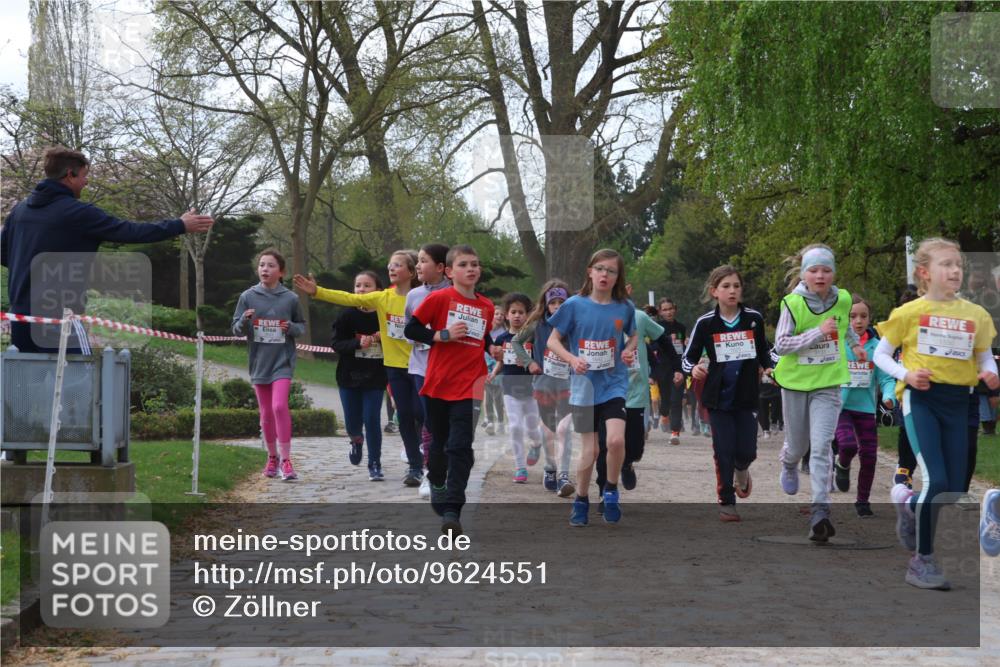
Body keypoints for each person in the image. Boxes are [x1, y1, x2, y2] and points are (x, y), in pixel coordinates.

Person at [1, 146, 213, 352]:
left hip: (21, 317)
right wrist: (180, 225)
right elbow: (130, 232)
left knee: (25, 386)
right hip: (60, 320)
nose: (87, 181)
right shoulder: (78, 213)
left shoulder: (19, 211)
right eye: (84, 175)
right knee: (81, 384)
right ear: (69, 175)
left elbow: (4, 255)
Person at [876, 237, 998, 589]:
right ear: (925, 273)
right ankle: (921, 562)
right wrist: (906, 374)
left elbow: (985, 357)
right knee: (938, 480)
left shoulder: (976, 314)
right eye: (947, 264)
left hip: (961, 403)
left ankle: (911, 506)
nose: (956, 270)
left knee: (954, 490)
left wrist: (991, 374)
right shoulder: (909, 312)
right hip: (922, 400)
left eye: (958, 264)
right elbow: (881, 355)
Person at [295, 251, 425, 488]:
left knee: (420, 414)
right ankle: (413, 465)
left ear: (411, 270)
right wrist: (317, 292)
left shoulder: (421, 297)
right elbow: (347, 298)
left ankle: (422, 453)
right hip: (393, 367)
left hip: (419, 365)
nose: (391, 269)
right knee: (401, 416)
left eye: (397, 265)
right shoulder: (381, 298)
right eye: (389, 265)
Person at [772, 243, 865, 542]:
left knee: (823, 445)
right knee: (799, 446)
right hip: (797, 382)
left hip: (828, 382)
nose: (820, 275)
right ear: (804, 274)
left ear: (834, 273)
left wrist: (855, 345)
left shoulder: (843, 299)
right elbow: (781, 345)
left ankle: (820, 512)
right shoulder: (792, 303)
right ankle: (788, 462)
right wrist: (817, 333)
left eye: (826, 270)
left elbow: (845, 325)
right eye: (814, 270)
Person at [404, 245, 496, 536]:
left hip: (471, 385)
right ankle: (438, 481)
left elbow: (484, 338)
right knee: (440, 444)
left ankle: (452, 511)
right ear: (449, 271)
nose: (472, 269)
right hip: (439, 383)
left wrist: (494, 347)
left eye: (476, 264)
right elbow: (412, 329)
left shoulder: (487, 306)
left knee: (459, 445)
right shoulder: (439, 298)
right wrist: (441, 335)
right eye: (465, 264)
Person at [547, 249, 638, 527]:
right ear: (590, 271)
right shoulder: (574, 305)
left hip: (614, 383)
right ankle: (582, 499)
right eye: (600, 268)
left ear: (617, 277)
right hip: (584, 388)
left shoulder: (625, 307)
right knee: (591, 450)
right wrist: (573, 359)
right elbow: (553, 341)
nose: (605, 274)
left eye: (611, 271)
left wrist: (628, 351)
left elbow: (633, 336)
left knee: (615, 441)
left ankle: (610, 489)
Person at [682, 266, 774, 522]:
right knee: (723, 449)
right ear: (714, 292)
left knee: (746, 451)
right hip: (718, 397)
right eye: (726, 286)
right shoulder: (705, 323)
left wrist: (769, 367)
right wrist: (696, 368)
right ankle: (726, 500)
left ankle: (741, 469)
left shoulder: (753, 319)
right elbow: (687, 360)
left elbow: (765, 351)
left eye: (736, 286)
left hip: (746, 395)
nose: (732, 291)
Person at [597, 283, 681, 497]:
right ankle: (604, 492)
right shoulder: (595, 318)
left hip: (636, 391)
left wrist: (678, 368)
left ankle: (627, 463)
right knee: (607, 444)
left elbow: (663, 342)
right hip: (606, 391)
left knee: (634, 444)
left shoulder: (639, 317)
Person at [231, 249, 306, 481]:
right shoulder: (248, 296)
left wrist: (290, 328)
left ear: (281, 272)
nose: (265, 269)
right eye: (262, 265)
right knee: (265, 413)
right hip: (259, 362)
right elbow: (235, 328)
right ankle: (271, 457)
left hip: (282, 361)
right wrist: (244, 320)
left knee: (279, 407)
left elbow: (301, 327)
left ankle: (286, 460)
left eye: (271, 265)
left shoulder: (290, 298)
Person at [832, 295, 895, 517]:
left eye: (863, 316)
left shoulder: (877, 347)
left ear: (869, 319)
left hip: (866, 409)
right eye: (853, 316)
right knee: (847, 446)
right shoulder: (838, 342)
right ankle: (843, 464)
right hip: (841, 407)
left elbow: (887, 378)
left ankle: (863, 500)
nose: (858, 321)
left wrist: (889, 397)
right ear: (846, 319)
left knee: (869, 456)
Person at [512, 280, 575, 496]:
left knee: (564, 430)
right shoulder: (537, 324)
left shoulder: (575, 323)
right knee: (548, 433)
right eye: (553, 302)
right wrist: (529, 362)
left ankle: (564, 476)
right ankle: (550, 468)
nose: (557, 306)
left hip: (569, 385)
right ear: (546, 305)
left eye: (562, 302)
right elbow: (516, 342)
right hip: (544, 384)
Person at [404, 243, 451, 498]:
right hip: (422, 367)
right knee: (428, 422)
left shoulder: (455, 294)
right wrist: (428, 337)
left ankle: (447, 469)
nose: (418, 266)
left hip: (449, 370)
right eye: (418, 260)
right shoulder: (413, 296)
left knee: (448, 424)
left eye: (423, 261)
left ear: (441, 267)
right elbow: (408, 332)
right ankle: (429, 473)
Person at [331, 271, 388, 481]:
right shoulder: (346, 314)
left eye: (367, 286)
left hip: (375, 375)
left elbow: (402, 338)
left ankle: (375, 463)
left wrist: (386, 337)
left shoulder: (385, 314)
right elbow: (336, 344)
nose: (361, 290)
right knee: (352, 422)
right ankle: (356, 439)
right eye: (358, 286)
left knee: (372, 418)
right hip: (349, 375)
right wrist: (357, 343)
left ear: (378, 291)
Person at [493, 292, 545, 484]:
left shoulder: (533, 339)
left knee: (532, 429)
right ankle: (520, 467)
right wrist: (493, 373)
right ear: (506, 315)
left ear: (527, 314)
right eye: (513, 312)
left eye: (521, 312)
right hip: (510, 389)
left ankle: (537, 444)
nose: (517, 316)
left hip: (531, 391)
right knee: (515, 427)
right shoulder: (501, 340)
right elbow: (500, 362)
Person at [654, 298, 687, 444]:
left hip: (678, 367)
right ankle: (664, 415)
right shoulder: (657, 327)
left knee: (676, 400)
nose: (668, 312)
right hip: (662, 367)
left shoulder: (681, 327)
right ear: (660, 312)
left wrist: (684, 343)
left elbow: (684, 349)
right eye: (665, 310)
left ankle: (675, 432)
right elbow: (653, 347)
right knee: (666, 400)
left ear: (675, 309)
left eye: (670, 309)